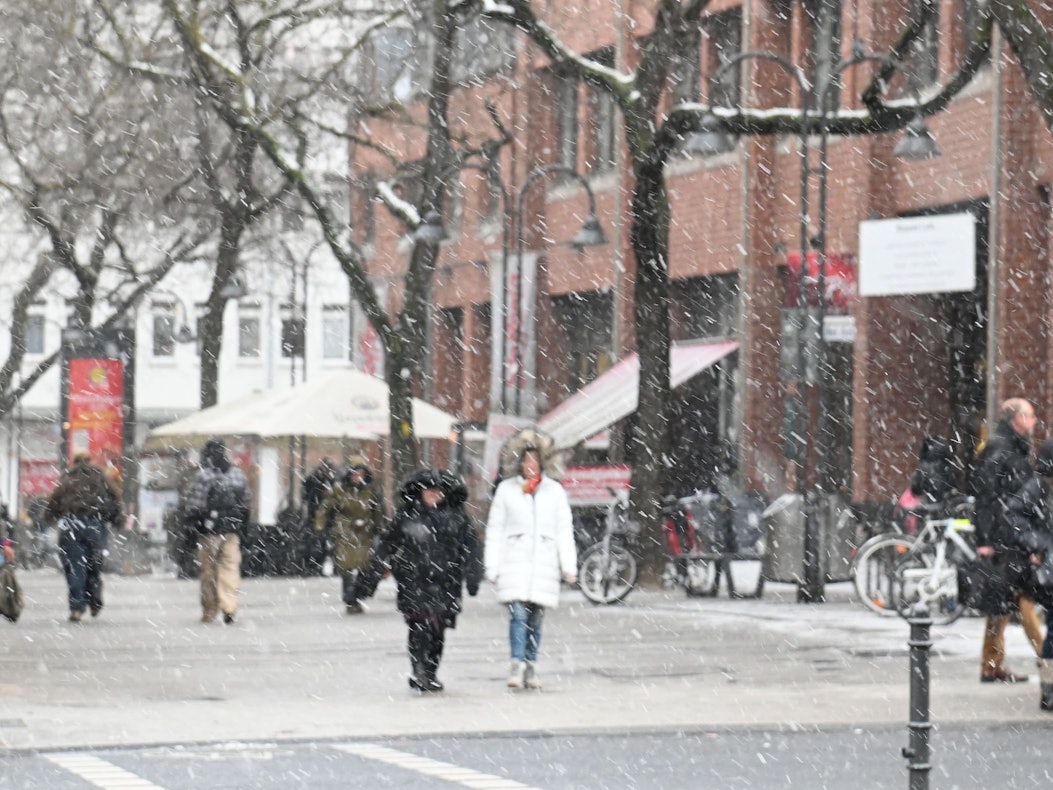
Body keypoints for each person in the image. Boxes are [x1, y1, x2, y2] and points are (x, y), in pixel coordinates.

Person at [357, 468, 481, 692]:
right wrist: (372, 575)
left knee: (437, 630)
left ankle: (431, 671)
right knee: (419, 627)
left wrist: (473, 574)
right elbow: (388, 544)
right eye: (429, 491)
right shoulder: (408, 516)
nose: (433, 495)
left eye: (438, 492)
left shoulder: (457, 517)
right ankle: (419, 670)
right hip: (414, 579)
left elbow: (471, 547)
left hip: (446, 580)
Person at [485, 428, 577, 690]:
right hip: (514, 562)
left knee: (536, 618)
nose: (530, 466)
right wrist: (493, 565)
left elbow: (563, 531)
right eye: (526, 461)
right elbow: (495, 529)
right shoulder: (506, 490)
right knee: (518, 614)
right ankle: (517, 662)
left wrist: (569, 566)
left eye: (535, 461)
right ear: (519, 463)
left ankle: (531, 664)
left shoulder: (555, 492)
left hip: (544, 564)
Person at [971, 398, 1044, 683]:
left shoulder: (1008, 447)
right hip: (1006, 536)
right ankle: (1044, 656)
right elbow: (986, 496)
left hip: (1009, 533)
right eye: (1031, 416)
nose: (1035, 421)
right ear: (1018, 419)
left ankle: (991, 664)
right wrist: (986, 538)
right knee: (1022, 596)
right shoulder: (1001, 449)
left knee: (1002, 601)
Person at [45, 454, 122, 622]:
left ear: (75, 462)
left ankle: (77, 608)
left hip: (71, 526)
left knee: (74, 567)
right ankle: (94, 600)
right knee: (94, 565)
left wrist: (49, 517)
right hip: (95, 525)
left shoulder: (68, 477)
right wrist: (117, 520)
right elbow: (115, 498)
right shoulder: (101, 476)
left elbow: (54, 501)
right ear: (90, 460)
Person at [184, 438, 251, 624]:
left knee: (208, 571)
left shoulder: (204, 476)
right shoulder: (238, 474)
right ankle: (229, 605)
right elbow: (245, 504)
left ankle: (210, 608)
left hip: (209, 532)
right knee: (230, 567)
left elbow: (195, 506)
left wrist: (191, 527)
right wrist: (242, 529)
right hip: (231, 531)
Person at [315, 457, 385, 615]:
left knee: (365, 566)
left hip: (365, 533)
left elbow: (376, 511)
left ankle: (357, 596)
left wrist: (380, 527)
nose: (357, 477)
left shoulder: (370, 491)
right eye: (355, 474)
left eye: (361, 474)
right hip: (345, 532)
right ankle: (350, 599)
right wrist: (320, 526)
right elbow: (324, 508)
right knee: (346, 567)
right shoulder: (340, 490)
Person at [301, 458, 337, 575]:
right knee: (313, 543)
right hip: (315, 515)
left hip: (327, 517)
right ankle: (312, 567)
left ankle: (318, 566)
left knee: (324, 544)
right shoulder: (314, 480)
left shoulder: (332, 481)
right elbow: (307, 495)